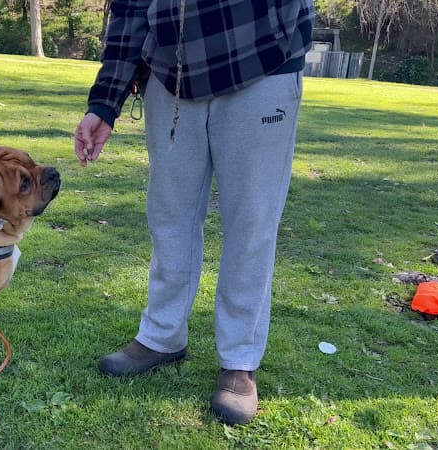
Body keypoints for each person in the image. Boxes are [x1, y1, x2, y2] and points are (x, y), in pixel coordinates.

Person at [73, 0, 314, 425]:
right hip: (170, 75)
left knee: (252, 222)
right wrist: (105, 103)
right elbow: (129, 9)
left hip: (262, 61)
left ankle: (239, 359)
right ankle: (161, 336)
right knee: (170, 216)